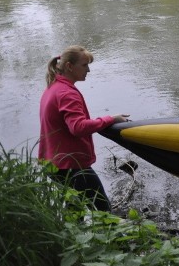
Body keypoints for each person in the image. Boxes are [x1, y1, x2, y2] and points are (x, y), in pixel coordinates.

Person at [38, 45, 129, 212]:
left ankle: (72, 237)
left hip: (54, 163)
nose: (88, 70)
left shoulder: (53, 87)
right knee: (103, 210)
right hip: (71, 165)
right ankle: (113, 237)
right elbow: (78, 127)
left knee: (75, 211)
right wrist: (110, 119)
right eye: (84, 65)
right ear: (69, 66)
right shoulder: (67, 93)